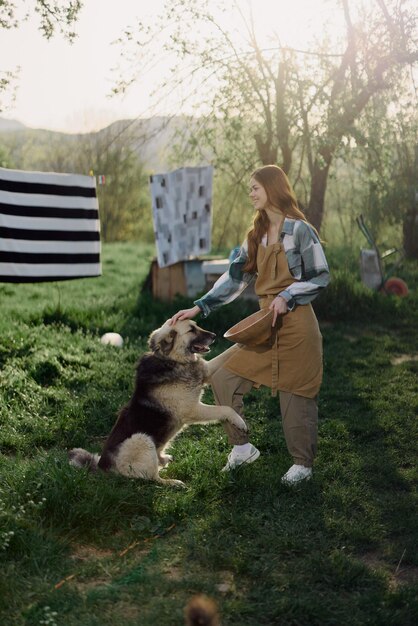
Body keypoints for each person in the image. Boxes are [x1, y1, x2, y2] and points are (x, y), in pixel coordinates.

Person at [170, 165, 330, 485]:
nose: (251, 193)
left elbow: (320, 276)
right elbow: (234, 280)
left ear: (273, 188)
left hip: (297, 326)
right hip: (263, 326)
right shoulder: (255, 235)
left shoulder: (299, 230)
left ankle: (303, 464)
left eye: (255, 187)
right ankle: (242, 449)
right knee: (221, 377)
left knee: (296, 394)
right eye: (250, 188)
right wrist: (199, 307)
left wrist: (287, 295)